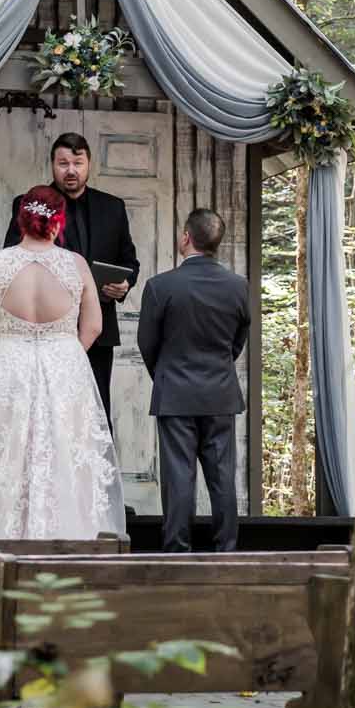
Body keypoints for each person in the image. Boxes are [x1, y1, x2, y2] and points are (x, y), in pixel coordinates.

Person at [0, 185, 123, 538]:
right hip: (64, 365)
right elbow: (93, 325)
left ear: (22, 221)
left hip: (11, 364)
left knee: (7, 453)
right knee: (65, 451)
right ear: (58, 224)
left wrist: (8, 347)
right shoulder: (74, 264)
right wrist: (64, 351)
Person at [4, 131, 139, 423]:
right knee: (44, 413)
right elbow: (12, 258)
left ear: (89, 164)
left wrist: (125, 284)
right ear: (52, 165)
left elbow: (130, 260)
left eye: (78, 163)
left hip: (98, 330)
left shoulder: (113, 207)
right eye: (63, 163)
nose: (71, 170)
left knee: (95, 412)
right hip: (46, 330)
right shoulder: (28, 204)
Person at [136, 207, 250, 553]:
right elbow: (237, 340)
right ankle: (227, 551)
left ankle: (177, 552)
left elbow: (147, 342)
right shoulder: (238, 287)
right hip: (219, 394)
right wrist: (216, 367)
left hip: (176, 394)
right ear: (217, 242)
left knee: (178, 477)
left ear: (186, 237)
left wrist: (168, 374)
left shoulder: (160, 286)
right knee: (222, 478)